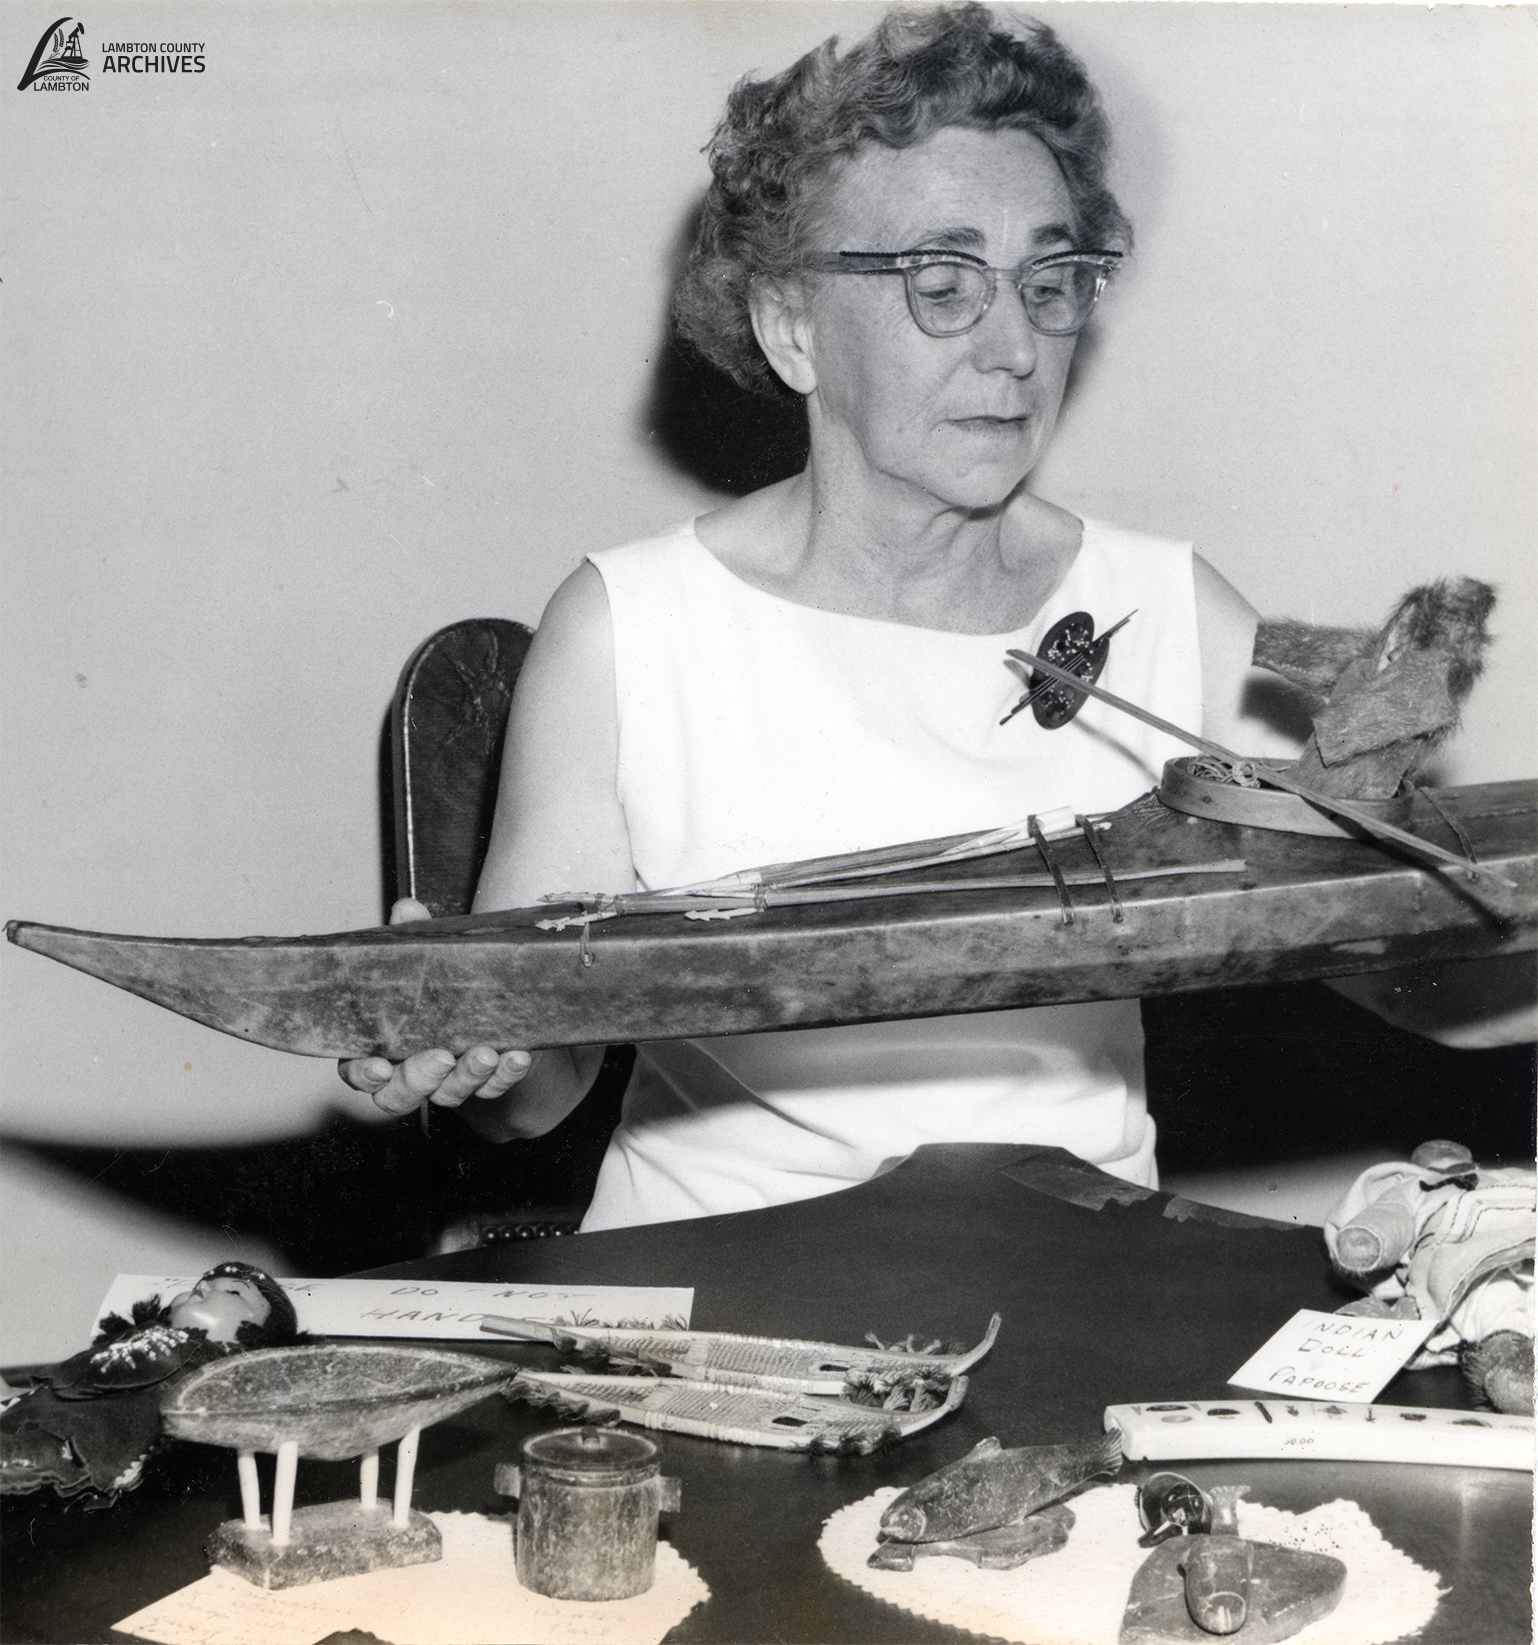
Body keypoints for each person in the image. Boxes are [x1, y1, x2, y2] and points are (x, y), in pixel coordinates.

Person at [341, 4, 1531, 1229]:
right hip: (707, 1314)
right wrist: (468, 1047)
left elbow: (1408, 974)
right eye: (943, 284)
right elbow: (535, 1090)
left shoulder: (1159, 610)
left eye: (1050, 279)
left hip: (1080, 1298)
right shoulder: (631, 629)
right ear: (791, 325)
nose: (1016, 348)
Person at [1, 1261, 300, 1500]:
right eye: (202, 1283)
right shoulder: (140, 1335)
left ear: (255, 1338)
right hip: (44, 1413)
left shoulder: (221, 1364)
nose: (206, 1285)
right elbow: (64, 1385)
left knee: (38, 1453)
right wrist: (13, 1393)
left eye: (234, 1292)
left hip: (93, 1439)